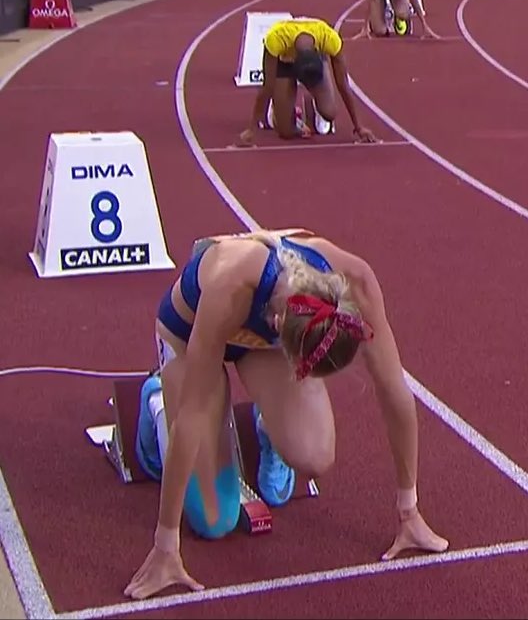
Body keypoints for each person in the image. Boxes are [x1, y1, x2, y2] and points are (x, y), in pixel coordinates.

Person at [124, 228, 449, 600]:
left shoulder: (356, 283)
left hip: (264, 337)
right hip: (188, 335)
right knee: (215, 521)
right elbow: (191, 418)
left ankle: (269, 429)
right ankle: (156, 402)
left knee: (315, 455)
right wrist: (166, 543)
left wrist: (409, 509)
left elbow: (396, 395)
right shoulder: (230, 287)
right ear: (280, 329)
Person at [237, 17, 376, 146]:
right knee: (286, 133)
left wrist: (359, 127)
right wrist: (251, 130)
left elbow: (343, 85)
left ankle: (313, 107)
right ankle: (276, 110)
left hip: (313, 60)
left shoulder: (331, 39)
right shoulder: (275, 39)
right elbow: (267, 86)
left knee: (330, 113)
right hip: (283, 61)